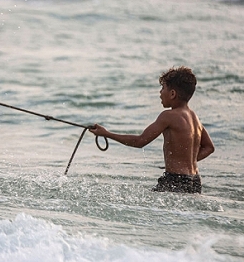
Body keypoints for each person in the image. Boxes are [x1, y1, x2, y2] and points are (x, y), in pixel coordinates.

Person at [89, 66, 215, 194]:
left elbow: (140, 141)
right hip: (195, 181)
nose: (160, 93)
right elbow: (209, 147)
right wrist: (184, 161)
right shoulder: (195, 118)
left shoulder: (168, 116)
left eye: (163, 88)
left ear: (172, 94)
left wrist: (106, 134)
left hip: (175, 180)